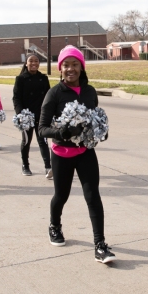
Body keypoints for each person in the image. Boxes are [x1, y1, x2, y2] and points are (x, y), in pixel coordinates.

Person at [38, 46, 115, 264]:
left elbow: (95, 116)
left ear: (82, 67)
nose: (70, 69)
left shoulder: (90, 91)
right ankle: (54, 225)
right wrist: (59, 132)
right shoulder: (54, 94)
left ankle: (100, 245)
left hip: (85, 152)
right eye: (66, 65)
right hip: (62, 153)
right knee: (61, 196)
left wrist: (102, 130)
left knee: (93, 196)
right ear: (60, 68)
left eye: (75, 64)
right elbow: (42, 128)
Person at [13, 53, 52, 177]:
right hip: (27, 116)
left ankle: (48, 167)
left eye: (36, 61)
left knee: (43, 141)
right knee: (26, 141)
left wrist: (51, 112)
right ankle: (25, 165)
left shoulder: (43, 78)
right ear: (26, 63)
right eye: (31, 61)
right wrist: (21, 114)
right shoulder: (20, 79)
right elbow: (16, 98)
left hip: (41, 115)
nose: (34, 63)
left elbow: (49, 97)